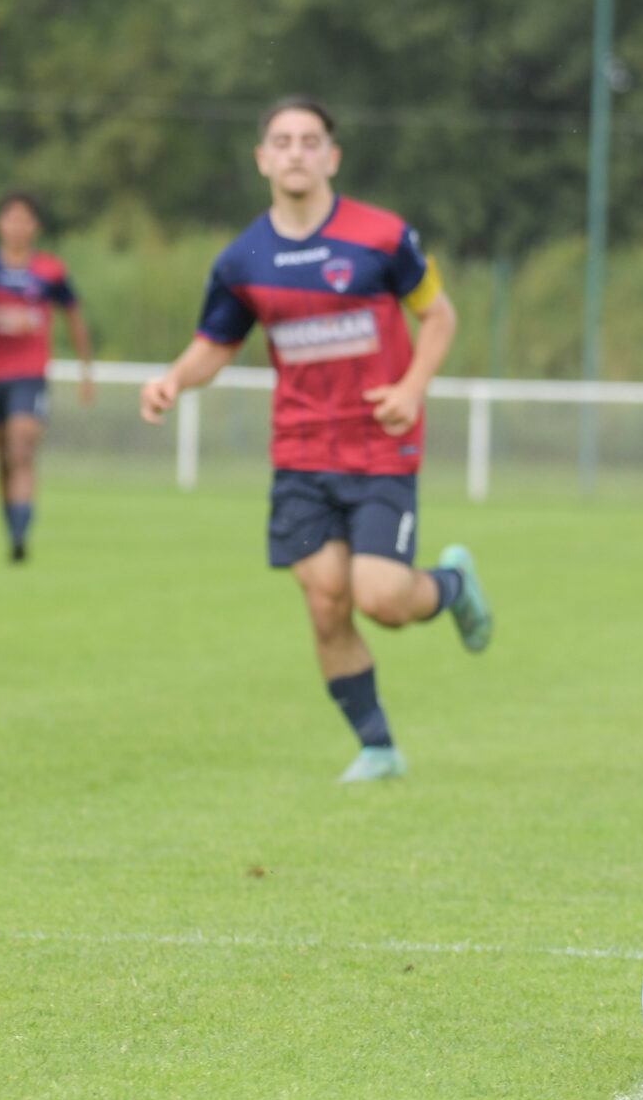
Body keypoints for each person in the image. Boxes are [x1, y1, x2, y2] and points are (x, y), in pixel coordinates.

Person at [140, 97, 493, 783]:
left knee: (383, 599)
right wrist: (174, 381)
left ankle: (452, 585)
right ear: (263, 158)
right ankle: (378, 746)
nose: (296, 151)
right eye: (283, 140)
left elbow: (439, 316)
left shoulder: (383, 237)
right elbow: (215, 344)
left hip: (380, 445)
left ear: (331, 156)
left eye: (310, 140)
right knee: (327, 600)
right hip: (301, 453)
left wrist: (411, 387)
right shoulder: (242, 259)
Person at [0, 192, 93, 562]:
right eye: (11, 218)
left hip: (31, 375)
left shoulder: (50, 271)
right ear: (0, 225)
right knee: (3, 456)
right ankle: (11, 526)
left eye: (25, 219)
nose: (18, 226)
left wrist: (86, 370)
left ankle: (21, 538)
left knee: (21, 449)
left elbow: (74, 314)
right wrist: (3, 317)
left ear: (35, 226)